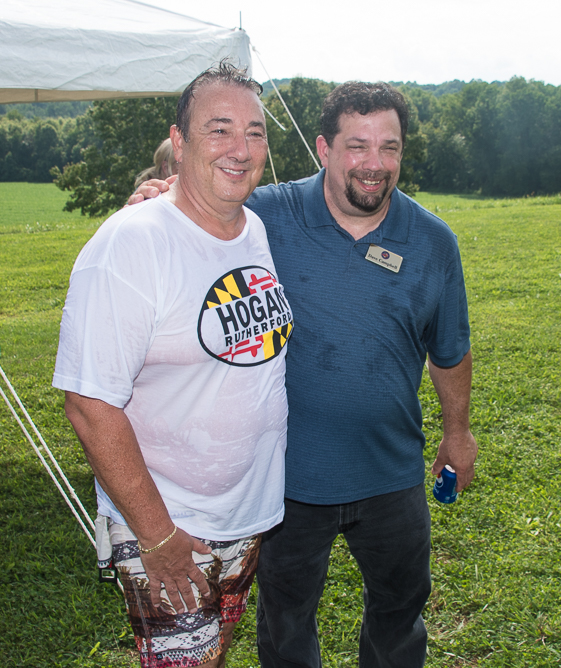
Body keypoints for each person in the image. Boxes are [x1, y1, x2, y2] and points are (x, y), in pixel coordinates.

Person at [132, 81, 478, 668]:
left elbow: (449, 350)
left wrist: (458, 431)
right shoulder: (266, 214)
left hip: (391, 473)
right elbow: (199, 206)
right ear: (323, 148)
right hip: (285, 480)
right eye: (357, 146)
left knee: (399, 614)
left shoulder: (433, 241)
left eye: (389, 147)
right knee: (285, 624)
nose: (374, 164)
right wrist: (159, 197)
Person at [54, 62, 293, 668]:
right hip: (168, 521)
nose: (241, 148)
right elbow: (88, 403)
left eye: (255, 132)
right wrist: (157, 536)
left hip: (245, 514)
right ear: (179, 143)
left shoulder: (255, 229)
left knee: (213, 654)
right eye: (219, 129)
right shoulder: (130, 244)